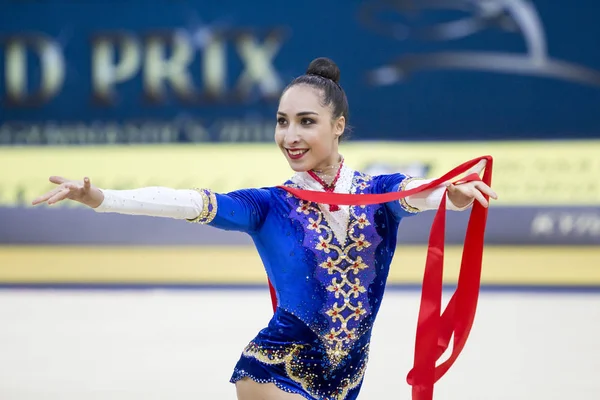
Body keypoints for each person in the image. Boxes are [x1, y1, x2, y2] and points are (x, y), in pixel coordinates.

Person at [32, 57, 497, 400]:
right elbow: (189, 202)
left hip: (346, 380)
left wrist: (450, 193)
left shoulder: (378, 194)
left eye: (306, 122)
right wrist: (101, 198)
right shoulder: (268, 205)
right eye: (281, 122)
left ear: (338, 126)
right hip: (275, 371)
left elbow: (417, 190)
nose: (289, 136)